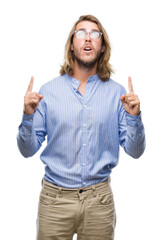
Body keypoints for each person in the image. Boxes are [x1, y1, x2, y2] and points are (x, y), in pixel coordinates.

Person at [17, 15, 145, 240]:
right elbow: (27, 150)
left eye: (95, 34)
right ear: (72, 46)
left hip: (100, 202)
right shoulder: (48, 91)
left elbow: (135, 152)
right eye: (81, 33)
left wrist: (134, 118)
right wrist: (28, 116)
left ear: (103, 47)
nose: (88, 38)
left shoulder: (118, 94)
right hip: (54, 202)